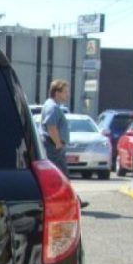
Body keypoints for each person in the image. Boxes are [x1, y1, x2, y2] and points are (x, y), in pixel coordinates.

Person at [40, 79, 89, 209]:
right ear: (57, 92)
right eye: (65, 92)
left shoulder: (52, 105)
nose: (67, 95)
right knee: (62, 176)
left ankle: (73, 200)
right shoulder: (52, 107)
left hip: (52, 146)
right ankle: (72, 201)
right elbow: (51, 127)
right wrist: (58, 144)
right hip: (53, 147)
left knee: (60, 176)